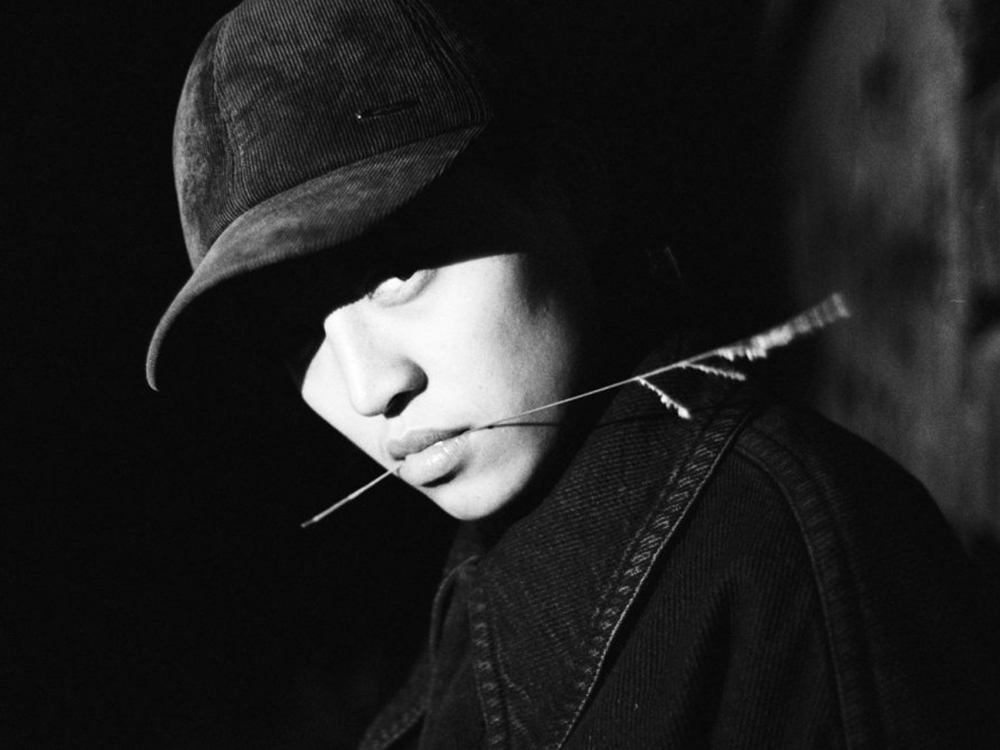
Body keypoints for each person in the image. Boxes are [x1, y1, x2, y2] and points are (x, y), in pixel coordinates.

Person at [147, 0, 1000, 747]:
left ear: (568, 190)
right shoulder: (475, 604)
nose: (372, 388)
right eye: (301, 330)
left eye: (398, 272)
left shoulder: (786, 556)